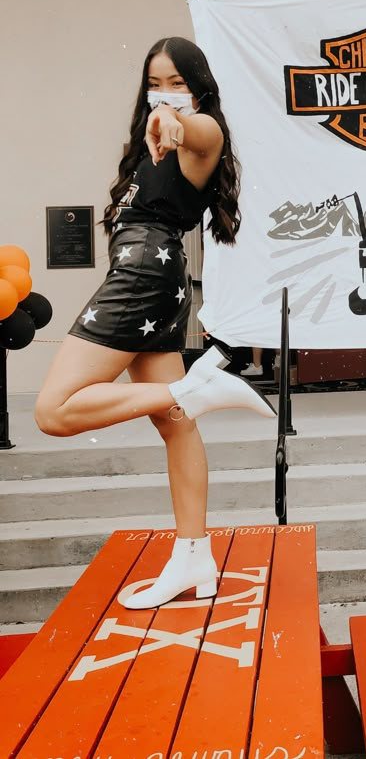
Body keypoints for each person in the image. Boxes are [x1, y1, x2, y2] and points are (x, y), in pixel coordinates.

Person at [34, 36, 276, 609]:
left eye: (177, 82)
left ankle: (195, 384)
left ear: (200, 87)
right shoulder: (145, 155)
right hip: (157, 282)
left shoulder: (204, 132)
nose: (164, 94)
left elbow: (189, 128)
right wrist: (160, 121)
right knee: (175, 422)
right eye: (155, 82)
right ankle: (194, 557)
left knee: (53, 411)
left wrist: (170, 117)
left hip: (143, 278)